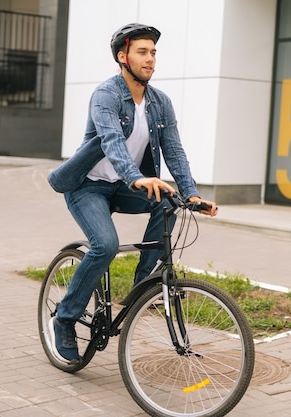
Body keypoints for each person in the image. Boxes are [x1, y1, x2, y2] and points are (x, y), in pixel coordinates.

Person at [46, 23, 217, 363]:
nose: (150, 58)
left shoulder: (159, 103)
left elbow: (175, 152)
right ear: (123, 57)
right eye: (142, 51)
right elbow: (111, 142)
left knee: (168, 204)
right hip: (88, 187)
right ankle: (64, 318)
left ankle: (142, 287)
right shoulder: (106, 96)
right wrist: (137, 177)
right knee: (105, 245)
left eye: (153, 52)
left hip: (125, 186)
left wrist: (192, 194)